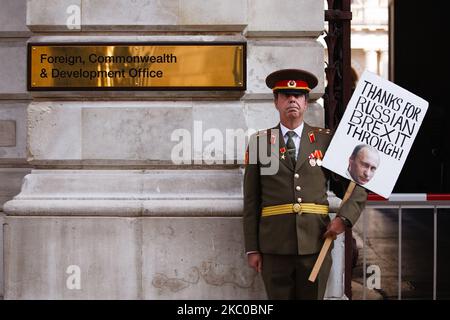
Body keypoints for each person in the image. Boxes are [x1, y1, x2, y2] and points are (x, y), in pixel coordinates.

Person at [243, 68, 367, 300]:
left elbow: (357, 184)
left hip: (315, 243)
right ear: (276, 102)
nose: (292, 99)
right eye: (285, 95)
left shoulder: (325, 140)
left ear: (306, 102)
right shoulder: (260, 143)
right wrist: (252, 248)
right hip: (274, 247)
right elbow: (251, 201)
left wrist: (344, 218)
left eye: (299, 95)